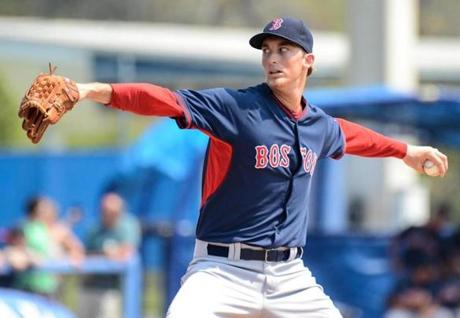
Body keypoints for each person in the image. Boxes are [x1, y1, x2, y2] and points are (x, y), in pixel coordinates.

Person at [74, 17, 448, 317]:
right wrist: (92, 91)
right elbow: (166, 101)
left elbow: (351, 136)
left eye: (284, 49)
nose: (272, 58)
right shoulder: (237, 108)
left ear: (308, 61)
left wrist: (406, 152)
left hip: (289, 275)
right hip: (222, 268)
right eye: (267, 50)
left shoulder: (319, 125)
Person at [79, 192, 141, 318]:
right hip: (88, 287)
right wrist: (105, 255)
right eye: (104, 211)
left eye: (112, 212)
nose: (107, 215)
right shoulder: (94, 228)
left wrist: (108, 255)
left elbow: (126, 252)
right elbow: (83, 254)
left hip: (112, 290)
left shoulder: (128, 225)